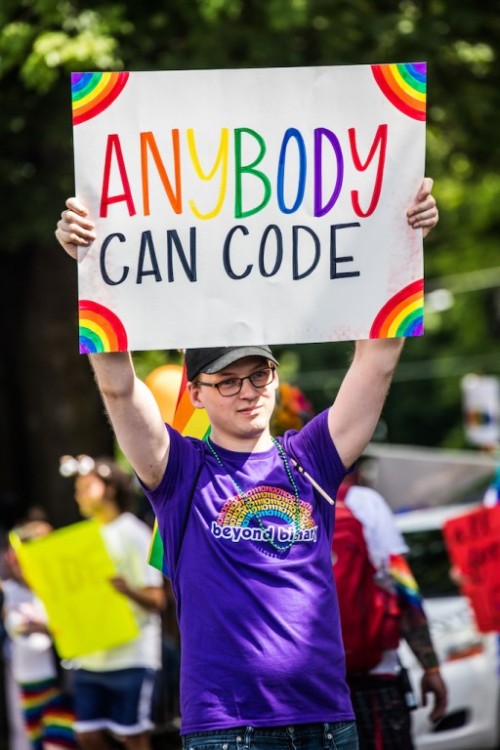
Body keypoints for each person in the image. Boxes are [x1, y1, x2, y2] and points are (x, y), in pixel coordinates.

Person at [55, 178, 438, 750]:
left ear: (276, 378)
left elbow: (378, 359)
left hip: (329, 723)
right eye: (227, 381)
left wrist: (405, 244)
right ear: (198, 394)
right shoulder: (178, 470)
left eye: (259, 374)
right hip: (228, 732)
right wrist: (92, 264)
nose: (247, 391)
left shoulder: (312, 458)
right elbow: (116, 385)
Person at [58, 454, 166, 750]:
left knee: (134, 736)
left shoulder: (133, 532)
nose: (77, 493)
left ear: (108, 488)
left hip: (132, 657)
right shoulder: (83, 536)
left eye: (85, 486)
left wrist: (126, 590)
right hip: (90, 657)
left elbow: (158, 599)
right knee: (87, 734)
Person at [335, 474, 447, 749]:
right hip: (378, 678)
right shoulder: (364, 502)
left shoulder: (281, 507)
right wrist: (430, 666)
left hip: (311, 687)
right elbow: (403, 587)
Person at [1, 520, 77, 750]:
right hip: (26, 686)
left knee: (57, 745)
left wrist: (46, 627)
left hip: (59, 685)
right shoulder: (8, 592)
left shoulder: (62, 591)